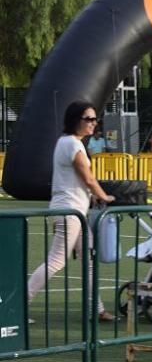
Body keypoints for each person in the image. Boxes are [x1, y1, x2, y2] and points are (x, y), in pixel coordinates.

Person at [26, 100, 116, 322]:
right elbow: (87, 177)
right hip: (70, 212)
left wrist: (92, 196)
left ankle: (97, 309)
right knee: (56, 261)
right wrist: (104, 196)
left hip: (73, 211)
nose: (93, 123)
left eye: (95, 119)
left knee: (89, 260)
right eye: (88, 119)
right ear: (75, 120)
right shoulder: (73, 145)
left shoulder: (66, 142)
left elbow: (77, 180)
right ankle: (18, 305)